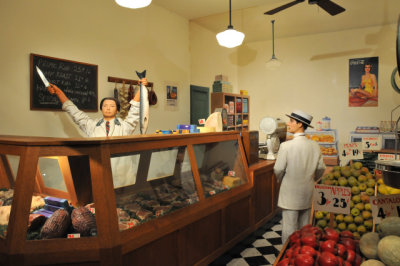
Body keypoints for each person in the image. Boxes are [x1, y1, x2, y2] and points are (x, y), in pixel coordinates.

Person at [48, 78, 148, 187]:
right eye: (105, 106)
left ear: (117, 110)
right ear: (101, 109)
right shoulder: (91, 125)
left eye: (112, 106)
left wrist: (142, 88)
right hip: (98, 173)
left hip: (122, 176)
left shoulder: (125, 126)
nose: (108, 108)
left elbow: (134, 111)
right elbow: (73, 111)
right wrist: (58, 92)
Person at [273, 110, 326, 244]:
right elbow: (321, 168)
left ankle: (287, 255)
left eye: (291, 121)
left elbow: (278, 169)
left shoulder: (285, 146)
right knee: (305, 228)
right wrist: (312, 180)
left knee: (289, 228)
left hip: (290, 192)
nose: (288, 124)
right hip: (307, 191)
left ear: (300, 124)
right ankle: (304, 253)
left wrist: (281, 180)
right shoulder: (315, 146)